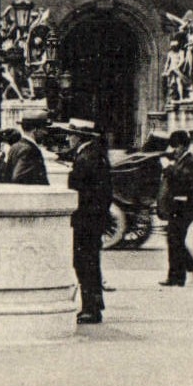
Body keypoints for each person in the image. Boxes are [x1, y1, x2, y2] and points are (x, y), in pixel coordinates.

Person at [56, 120, 112, 324]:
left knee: (84, 264)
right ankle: (94, 304)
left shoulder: (86, 158)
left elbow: (78, 190)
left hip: (85, 220)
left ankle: (91, 308)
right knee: (90, 263)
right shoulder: (95, 154)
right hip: (93, 220)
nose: (68, 138)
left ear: (79, 137)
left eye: (71, 134)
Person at [157, 130, 193, 287]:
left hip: (186, 207)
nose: (175, 150)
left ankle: (183, 273)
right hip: (176, 206)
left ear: (183, 146)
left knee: (175, 240)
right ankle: (179, 275)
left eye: (176, 147)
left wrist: (168, 169)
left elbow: (186, 181)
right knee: (173, 240)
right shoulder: (180, 160)